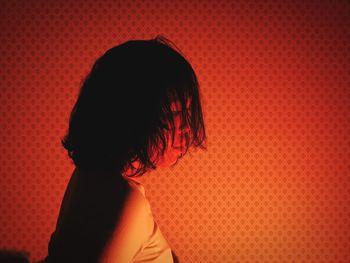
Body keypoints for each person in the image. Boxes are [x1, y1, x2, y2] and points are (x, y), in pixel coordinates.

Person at [41, 35, 206, 263]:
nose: (187, 130)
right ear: (138, 115)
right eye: (178, 115)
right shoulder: (126, 200)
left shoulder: (87, 176)